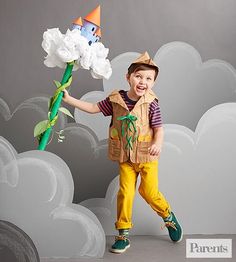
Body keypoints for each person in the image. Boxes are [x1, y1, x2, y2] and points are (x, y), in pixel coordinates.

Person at [62, 52, 183, 254]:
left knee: (148, 192)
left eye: (148, 78)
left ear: (153, 83)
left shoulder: (152, 103)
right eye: (138, 76)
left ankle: (168, 216)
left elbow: (159, 128)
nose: (143, 81)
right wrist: (69, 100)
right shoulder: (116, 99)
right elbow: (93, 108)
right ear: (128, 77)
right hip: (125, 157)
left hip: (146, 156)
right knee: (125, 193)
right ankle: (123, 234)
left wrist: (157, 144)